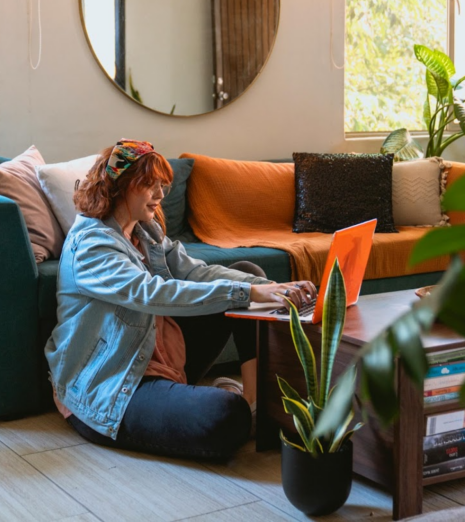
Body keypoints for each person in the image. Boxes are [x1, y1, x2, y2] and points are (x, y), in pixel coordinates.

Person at [45, 139, 315, 460]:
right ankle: (236, 407)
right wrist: (249, 292)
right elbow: (152, 292)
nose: (160, 195)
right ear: (121, 186)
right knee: (226, 415)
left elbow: (195, 272)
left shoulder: (144, 231)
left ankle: (254, 403)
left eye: (162, 186)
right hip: (112, 384)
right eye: (150, 185)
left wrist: (271, 287)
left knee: (246, 272)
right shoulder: (91, 246)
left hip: (159, 355)